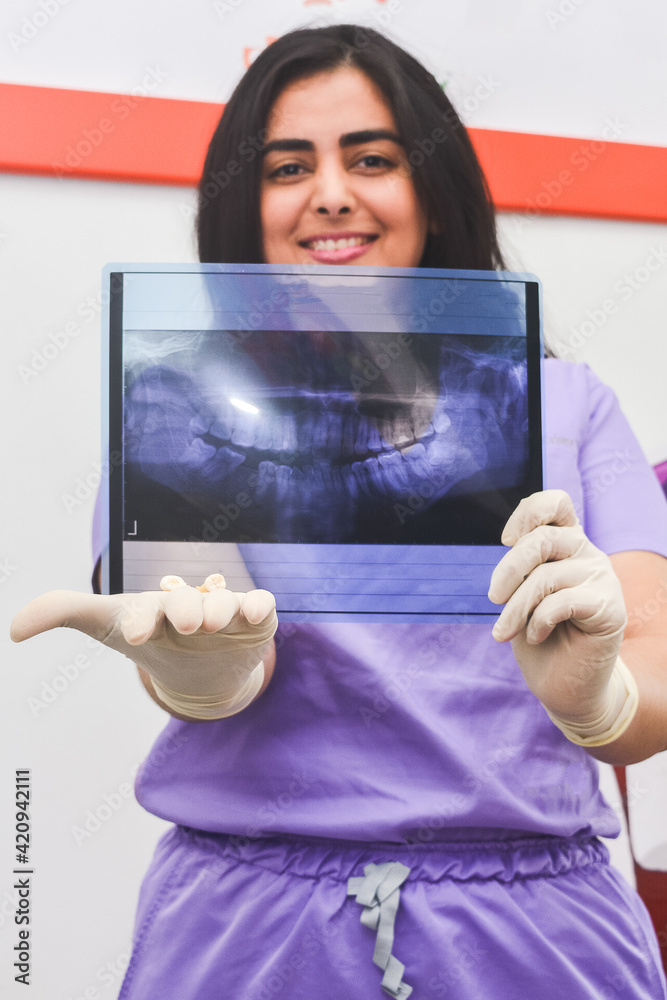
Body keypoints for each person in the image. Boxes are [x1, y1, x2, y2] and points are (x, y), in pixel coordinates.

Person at [11, 24, 667, 1000]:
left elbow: (650, 665)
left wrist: (598, 698)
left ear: (433, 193)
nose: (330, 192)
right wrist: (204, 665)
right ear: (247, 201)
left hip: (534, 933)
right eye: (287, 165)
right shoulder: (174, 409)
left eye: (372, 158)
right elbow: (205, 622)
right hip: (251, 935)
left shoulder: (569, 404)